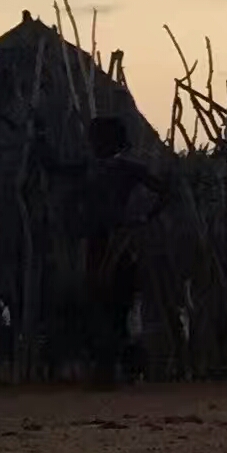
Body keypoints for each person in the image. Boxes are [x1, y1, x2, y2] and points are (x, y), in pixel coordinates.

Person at [71, 115, 169, 389]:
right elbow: (57, 168)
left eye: (98, 140)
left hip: (118, 243)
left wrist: (144, 218)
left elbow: (164, 191)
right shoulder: (90, 168)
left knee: (116, 305)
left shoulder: (128, 169)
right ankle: (109, 369)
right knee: (99, 304)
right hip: (97, 242)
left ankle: (118, 368)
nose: (93, 145)